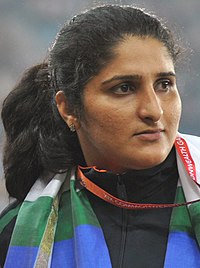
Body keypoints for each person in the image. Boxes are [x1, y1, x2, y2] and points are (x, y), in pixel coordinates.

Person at [0, 4, 200, 268]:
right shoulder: (15, 232)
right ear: (69, 108)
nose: (154, 110)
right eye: (124, 88)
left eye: (164, 85)